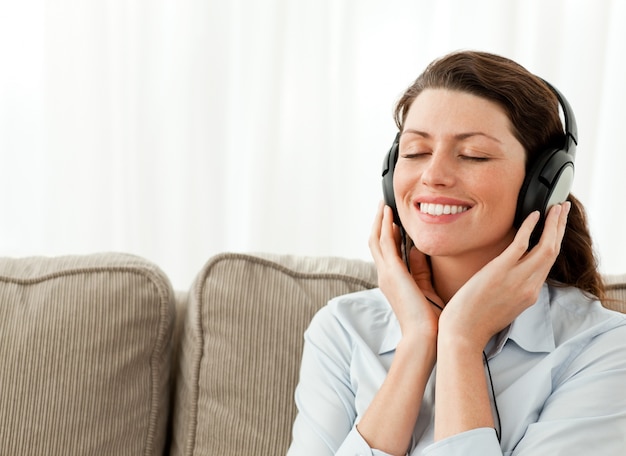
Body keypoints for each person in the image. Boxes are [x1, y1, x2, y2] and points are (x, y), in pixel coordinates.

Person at [287, 50, 626, 455]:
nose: (433, 175)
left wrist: (461, 340)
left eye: (473, 155)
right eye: (414, 152)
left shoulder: (604, 350)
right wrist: (417, 340)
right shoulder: (342, 329)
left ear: (544, 184)